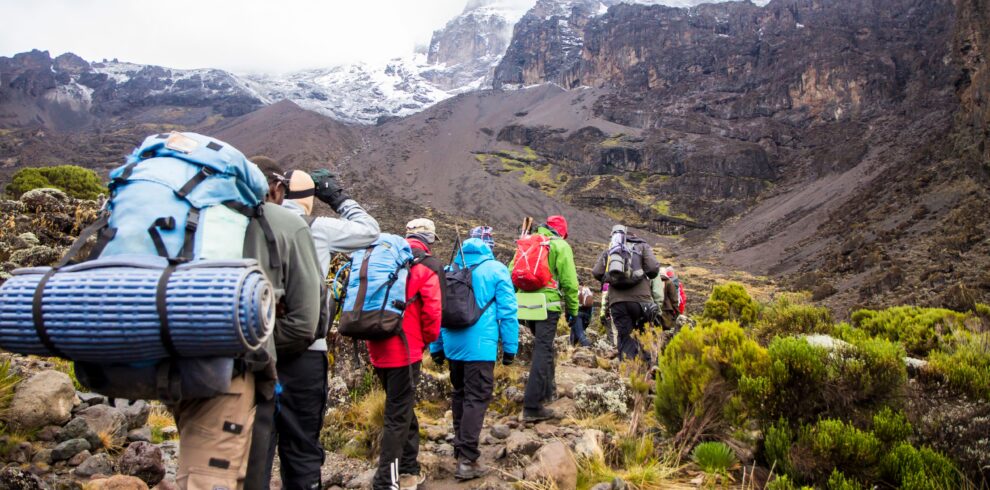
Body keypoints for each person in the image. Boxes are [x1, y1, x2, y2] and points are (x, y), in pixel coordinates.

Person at [265, 167, 380, 490]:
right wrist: (338, 198)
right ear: (309, 200)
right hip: (304, 351)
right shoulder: (317, 228)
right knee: (301, 449)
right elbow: (370, 231)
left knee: (253, 449)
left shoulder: (247, 224)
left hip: (253, 348)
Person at [234, 156, 322, 490]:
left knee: (231, 458)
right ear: (276, 187)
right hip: (283, 361)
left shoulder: (207, 220)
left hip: (202, 363)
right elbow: (305, 323)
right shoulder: (289, 225)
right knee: (294, 451)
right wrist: (263, 340)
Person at [430, 237, 518, 480]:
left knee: (460, 393)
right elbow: (508, 312)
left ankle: (460, 448)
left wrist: (436, 347)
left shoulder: (448, 270)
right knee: (477, 398)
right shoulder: (496, 269)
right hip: (481, 347)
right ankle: (468, 460)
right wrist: (510, 348)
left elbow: (435, 311)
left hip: (452, 345)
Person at [366, 218, 443, 490]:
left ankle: (409, 467)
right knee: (397, 417)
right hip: (405, 352)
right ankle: (387, 481)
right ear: (428, 242)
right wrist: (427, 341)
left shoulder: (382, 264)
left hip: (376, 347)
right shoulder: (425, 271)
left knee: (401, 407)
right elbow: (433, 315)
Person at [517, 215, 579, 422]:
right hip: (547, 305)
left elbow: (512, 272)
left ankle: (548, 391)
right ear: (562, 231)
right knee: (543, 349)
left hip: (524, 305)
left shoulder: (527, 242)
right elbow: (570, 283)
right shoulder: (560, 246)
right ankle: (532, 406)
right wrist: (573, 311)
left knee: (544, 348)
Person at [592, 226, 660, 362]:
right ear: (633, 236)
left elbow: (597, 272)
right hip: (642, 301)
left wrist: (610, 279)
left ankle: (628, 374)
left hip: (618, 302)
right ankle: (650, 369)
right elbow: (653, 269)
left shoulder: (611, 250)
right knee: (645, 334)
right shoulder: (642, 246)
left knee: (625, 337)